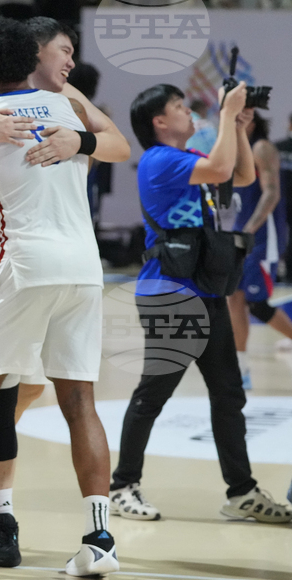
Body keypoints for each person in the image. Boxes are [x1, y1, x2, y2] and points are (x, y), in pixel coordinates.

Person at [0, 16, 131, 568]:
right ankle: (100, 541)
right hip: (84, 268)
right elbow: (114, 142)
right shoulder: (67, 107)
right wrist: (80, 140)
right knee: (80, 402)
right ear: (33, 59)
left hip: (19, 264)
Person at [111, 83, 291, 524]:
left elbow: (242, 176)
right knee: (154, 393)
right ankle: (122, 485)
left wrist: (239, 127)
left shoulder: (189, 159)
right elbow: (222, 166)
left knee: (228, 394)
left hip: (205, 291)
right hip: (172, 293)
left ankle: (242, 492)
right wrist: (228, 115)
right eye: (179, 107)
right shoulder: (160, 160)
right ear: (159, 121)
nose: (189, 113)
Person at [227, 112, 292, 390]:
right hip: (242, 233)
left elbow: (271, 193)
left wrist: (249, 230)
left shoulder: (262, 147)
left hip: (263, 235)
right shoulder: (235, 147)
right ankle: (241, 370)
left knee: (257, 304)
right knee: (235, 299)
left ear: (250, 119)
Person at [277, 114, 292, 283]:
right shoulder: (276, 148)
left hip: (278, 201)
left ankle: (286, 273)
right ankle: (283, 273)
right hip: (277, 202)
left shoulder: (276, 147)